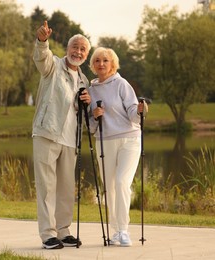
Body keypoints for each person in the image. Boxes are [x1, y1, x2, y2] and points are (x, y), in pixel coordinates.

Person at [32, 20, 91, 250]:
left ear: (86, 55)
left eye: (82, 49)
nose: (77, 51)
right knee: (46, 187)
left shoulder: (84, 81)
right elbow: (41, 58)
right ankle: (48, 234)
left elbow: (82, 112)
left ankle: (64, 230)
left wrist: (87, 101)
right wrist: (42, 41)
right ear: (67, 49)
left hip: (70, 140)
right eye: (74, 47)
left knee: (66, 188)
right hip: (47, 134)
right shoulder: (54, 66)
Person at [88, 47, 148, 247]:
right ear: (93, 65)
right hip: (104, 141)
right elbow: (91, 126)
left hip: (129, 139)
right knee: (110, 187)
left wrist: (140, 111)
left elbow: (133, 113)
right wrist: (95, 116)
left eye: (105, 60)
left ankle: (123, 230)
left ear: (113, 64)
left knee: (122, 182)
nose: (101, 64)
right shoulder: (90, 90)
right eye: (97, 60)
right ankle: (115, 230)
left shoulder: (121, 84)